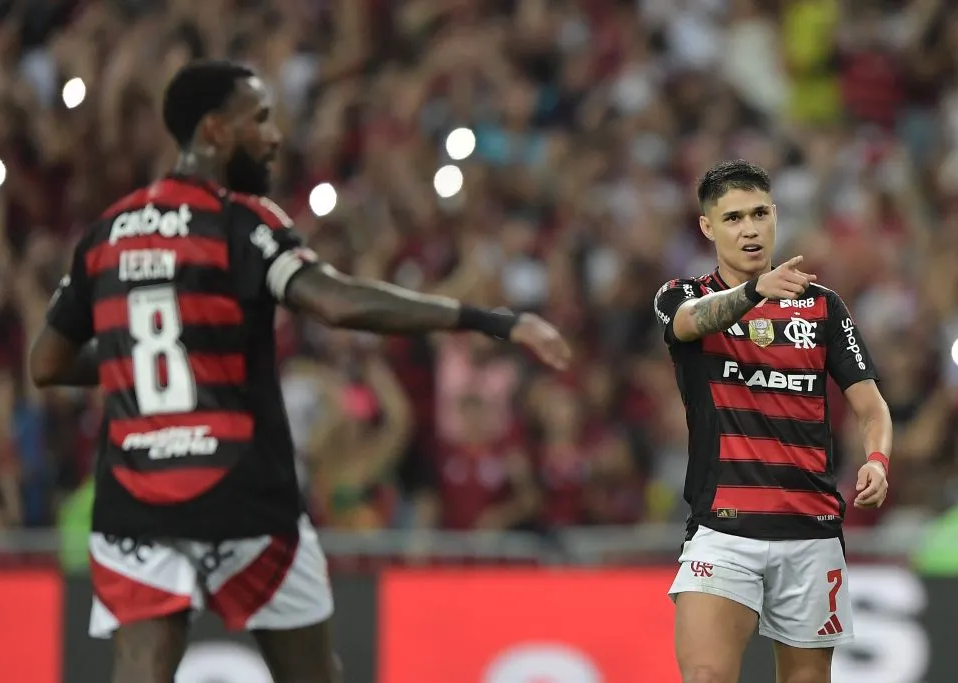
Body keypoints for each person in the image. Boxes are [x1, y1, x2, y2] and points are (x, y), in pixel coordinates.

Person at [28, 60, 571, 683]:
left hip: (139, 495)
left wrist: (131, 359)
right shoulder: (244, 223)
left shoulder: (108, 234)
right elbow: (336, 302)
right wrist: (488, 319)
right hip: (242, 493)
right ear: (213, 131)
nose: (275, 135)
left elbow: (48, 363)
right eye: (258, 119)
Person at [652, 160, 892, 683]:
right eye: (733, 217)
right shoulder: (683, 296)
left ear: (776, 216)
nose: (750, 228)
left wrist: (877, 459)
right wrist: (754, 292)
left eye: (760, 213)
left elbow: (870, 405)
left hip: (811, 533)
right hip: (724, 530)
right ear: (707, 227)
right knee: (706, 676)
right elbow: (690, 324)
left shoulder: (822, 307)